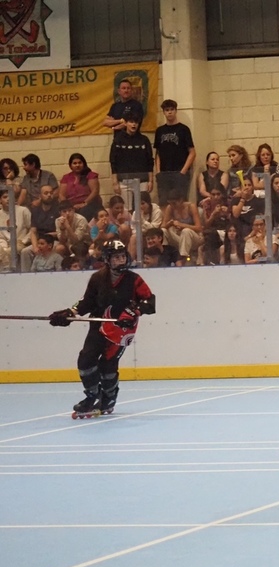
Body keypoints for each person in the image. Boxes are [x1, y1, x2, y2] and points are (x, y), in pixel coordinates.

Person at [47, 240, 156, 417]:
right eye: (116, 257)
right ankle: (92, 396)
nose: (121, 261)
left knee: (108, 365)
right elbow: (87, 302)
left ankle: (109, 398)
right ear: (107, 259)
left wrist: (133, 311)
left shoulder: (134, 280)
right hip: (98, 325)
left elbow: (150, 302)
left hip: (120, 331)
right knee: (85, 360)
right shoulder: (97, 278)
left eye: (122, 257)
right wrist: (70, 312)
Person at [153, 100, 196, 201]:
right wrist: (158, 172)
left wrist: (183, 172)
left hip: (179, 173)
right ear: (163, 112)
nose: (169, 112)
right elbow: (157, 153)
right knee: (164, 202)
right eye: (167, 110)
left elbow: (192, 152)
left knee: (180, 203)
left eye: (172, 109)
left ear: (176, 111)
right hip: (164, 174)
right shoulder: (160, 131)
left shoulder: (184, 129)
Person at [59, 153, 103, 221]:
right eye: (75, 163)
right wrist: (68, 207)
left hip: (88, 204)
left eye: (80, 163)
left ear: (84, 164)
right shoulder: (66, 177)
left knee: (83, 213)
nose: (77, 165)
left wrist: (84, 203)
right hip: (71, 206)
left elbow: (95, 191)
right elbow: (61, 195)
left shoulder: (90, 175)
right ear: (70, 165)